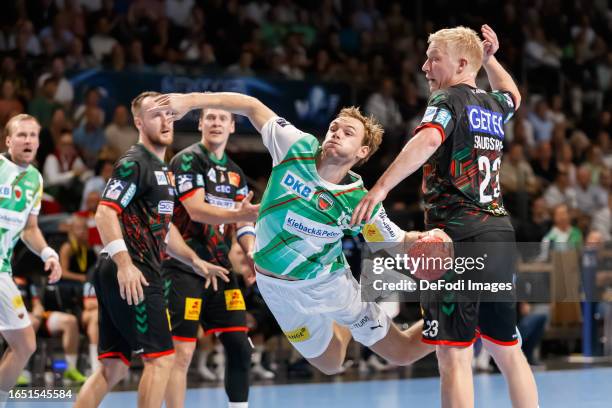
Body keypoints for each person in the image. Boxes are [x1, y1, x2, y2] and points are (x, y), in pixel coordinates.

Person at [149, 92, 445, 377]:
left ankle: (452, 311)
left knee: (402, 353)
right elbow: (251, 105)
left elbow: (394, 240)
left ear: (362, 152)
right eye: (333, 128)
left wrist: (426, 238)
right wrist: (190, 101)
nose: (336, 133)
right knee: (330, 364)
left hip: (329, 286)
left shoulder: (359, 200)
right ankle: (343, 325)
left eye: (348, 133)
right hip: (278, 292)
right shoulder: (295, 147)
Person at [351, 25, 539, 407]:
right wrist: (493, 60)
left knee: (452, 352)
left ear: (461, 63)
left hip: (454, 238)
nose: (424, 66)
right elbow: (514, 96)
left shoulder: (447, 99)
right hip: (498, 235)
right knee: (506, 348)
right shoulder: (491, 105)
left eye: (434, 57)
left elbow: (430, 138)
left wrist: (382, 186)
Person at [74, 92, 229, 408]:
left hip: (121, 270)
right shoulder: (134, 163)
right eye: (155, 114)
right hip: (135, 272)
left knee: (113, 367)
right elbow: (105, 212)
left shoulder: (162, 170)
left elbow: (165, 229)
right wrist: (125, 264)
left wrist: (195, 259)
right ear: (138, 122)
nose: (165, 120)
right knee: (161, 360)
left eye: (169, 114)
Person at [163, 107, 259, 408]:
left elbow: (243, 224)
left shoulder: (235, 173)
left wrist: (251, 251)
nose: (217, 122)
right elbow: (196, 209)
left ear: (232, 127)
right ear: (201, 123)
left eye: (223, 118)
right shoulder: (187, 160)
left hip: (221, 269)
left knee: (240, 346)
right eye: (211, 118)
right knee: (182, 353)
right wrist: (238, 213)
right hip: (184, 266)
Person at [0, 114, 62, 405]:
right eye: (21, 135)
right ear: (8, 140)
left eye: (33, 136)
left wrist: (49, 253)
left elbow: (30, 228)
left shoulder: (35, 179)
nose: (28, 141)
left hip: (3, 271)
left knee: (25, 344)